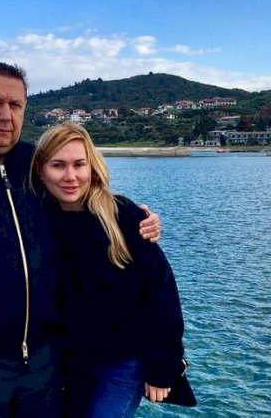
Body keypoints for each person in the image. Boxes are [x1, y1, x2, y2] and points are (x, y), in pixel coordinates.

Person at [0, 62, 161, 417]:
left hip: (46, 364)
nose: (5, 115)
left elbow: (87, 198)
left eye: (15, 105)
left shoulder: (39, 164)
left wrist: (136, 220)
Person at [30, 123, 186, 418]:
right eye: (58, 165)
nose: (70, 176)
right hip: (65, 366)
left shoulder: (122, 216)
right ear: (41, 170)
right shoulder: (35, 220)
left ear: (92, 167)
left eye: (79, 164)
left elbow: (161, 292)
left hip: (123, 364)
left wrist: (164, 365)